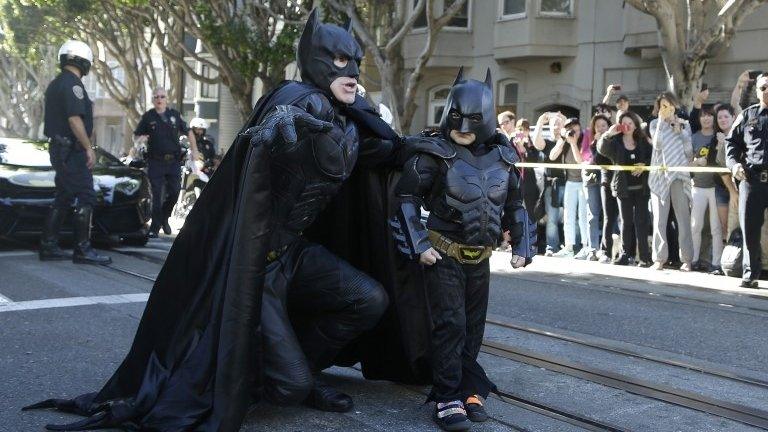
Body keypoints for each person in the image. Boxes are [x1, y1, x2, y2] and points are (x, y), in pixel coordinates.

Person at [24, 10, 424, 430]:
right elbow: (272, 129)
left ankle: (298, 366)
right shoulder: (295, 99)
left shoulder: (351, 117)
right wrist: (278, 125)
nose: (353, 71)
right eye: (341, 62)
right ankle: (279, 376)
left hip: (294, 253)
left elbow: (385, 153)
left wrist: (432, 149)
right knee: (290, 388)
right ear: (316, 59)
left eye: (356, 62)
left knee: (369, 299)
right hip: (255, 264)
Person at [390, 67, 536, 432]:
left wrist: (522, 242)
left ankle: (470, 388)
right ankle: (446, 396)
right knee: (450, 324)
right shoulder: (434, 153)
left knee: (472, 328)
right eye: (457, 117)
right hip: (443, 254)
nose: (464, 126)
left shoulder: (503, 155)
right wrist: (418, 244)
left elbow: (515, 204)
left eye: (474, 119)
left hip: (480, 258)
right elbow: (405, 199)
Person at [38, 40, 111, 265]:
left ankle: (49, 245)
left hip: (60, 149)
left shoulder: (56, 83)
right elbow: (74, 118)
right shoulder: (73, 85)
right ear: (82, 60)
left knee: (65, 195)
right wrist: (88, 148)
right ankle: (83, 249)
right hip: (71, 150)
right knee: (86, 195)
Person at [134, 87, 199, 237]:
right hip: (155, 161)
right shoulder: (148, 117)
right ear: (153, 99)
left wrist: (194, 150)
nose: (159, 99)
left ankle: (165, 217)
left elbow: (188, 131)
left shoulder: (174, 115)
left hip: (173, 161)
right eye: (156, 96)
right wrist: (139, 140)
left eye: (162, 96)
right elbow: (136, 136)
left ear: (166, 99)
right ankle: (154, 228)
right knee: (156, 196)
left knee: (175, 192)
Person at [726, 73, 768, 288]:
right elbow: (731, 144)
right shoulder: (747, 115)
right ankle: (750, 274)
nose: (767, 90)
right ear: (758, 90)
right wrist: (734, 165)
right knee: (750, 229)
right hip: (752, 180)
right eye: (763, 87)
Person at [598, 112, 653, 266]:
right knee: (626, 222)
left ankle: (644, 257)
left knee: (641, 222)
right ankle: (625, 254)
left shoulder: (642, 140)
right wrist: (608, 134)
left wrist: (645, 166)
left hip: (642, 188)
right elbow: (602, 150)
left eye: (630, 123)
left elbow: (653, 157)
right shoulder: (615, 141)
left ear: (636, 124)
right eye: (624, 123)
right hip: (623, 188)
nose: (627, 126)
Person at [649, 92, 695, 271]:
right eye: (662, 105)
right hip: (660, 175)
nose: (665, 109)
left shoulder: (685, 124)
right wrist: (661, 121)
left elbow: (689, 153)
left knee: (683, 218)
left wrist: (681, 132)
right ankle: (659, 259)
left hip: (679, 176)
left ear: (675, 106)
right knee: (659, 219)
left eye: (668, 105)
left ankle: (687, 259)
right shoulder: (654, 124)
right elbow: (658, 145)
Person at [550, 118, 591, 259]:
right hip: (570, 182)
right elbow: (552, 156)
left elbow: (580, 161)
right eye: (572, 130)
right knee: (568, 215)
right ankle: (568, 247)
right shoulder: (565, 142)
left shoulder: (584, 142)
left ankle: (586, 247)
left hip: (584, 183)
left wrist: (573, 143)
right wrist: (562, 140)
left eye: (578, 130)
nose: (575, 133)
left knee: (583, 216)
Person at [690, 108, 724, 272]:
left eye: (710, 115)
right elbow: (686, 162)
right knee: (696, 225)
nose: (706, 118)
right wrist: (695, 163)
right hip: (697, 185)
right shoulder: (694, 137)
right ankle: (693, 259)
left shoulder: (719, 135)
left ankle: (716, 263)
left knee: (716, 227)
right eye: (703, 116)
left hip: (716, 186)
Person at [532, 112, 567, 256]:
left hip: (569, 182)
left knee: (571, 218)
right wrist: (540, 124)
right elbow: (536, 143)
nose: (557, 127)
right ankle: (552, 246)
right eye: (554, 124)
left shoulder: (570, 140)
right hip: (551, 185)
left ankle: (572, 246)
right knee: (552, 219)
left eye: (560, 124)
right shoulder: (547, 142)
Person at [588, 114, 615, 262]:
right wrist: (598, 143)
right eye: (598, 126)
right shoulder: (594, 144)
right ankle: (606, 250)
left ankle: (623, 250)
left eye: (604, 125)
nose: (601, 128)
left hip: (620, 179)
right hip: (606, 180)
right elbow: (598, 160)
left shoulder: (616, 139)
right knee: (608, 217)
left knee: (622, 219)